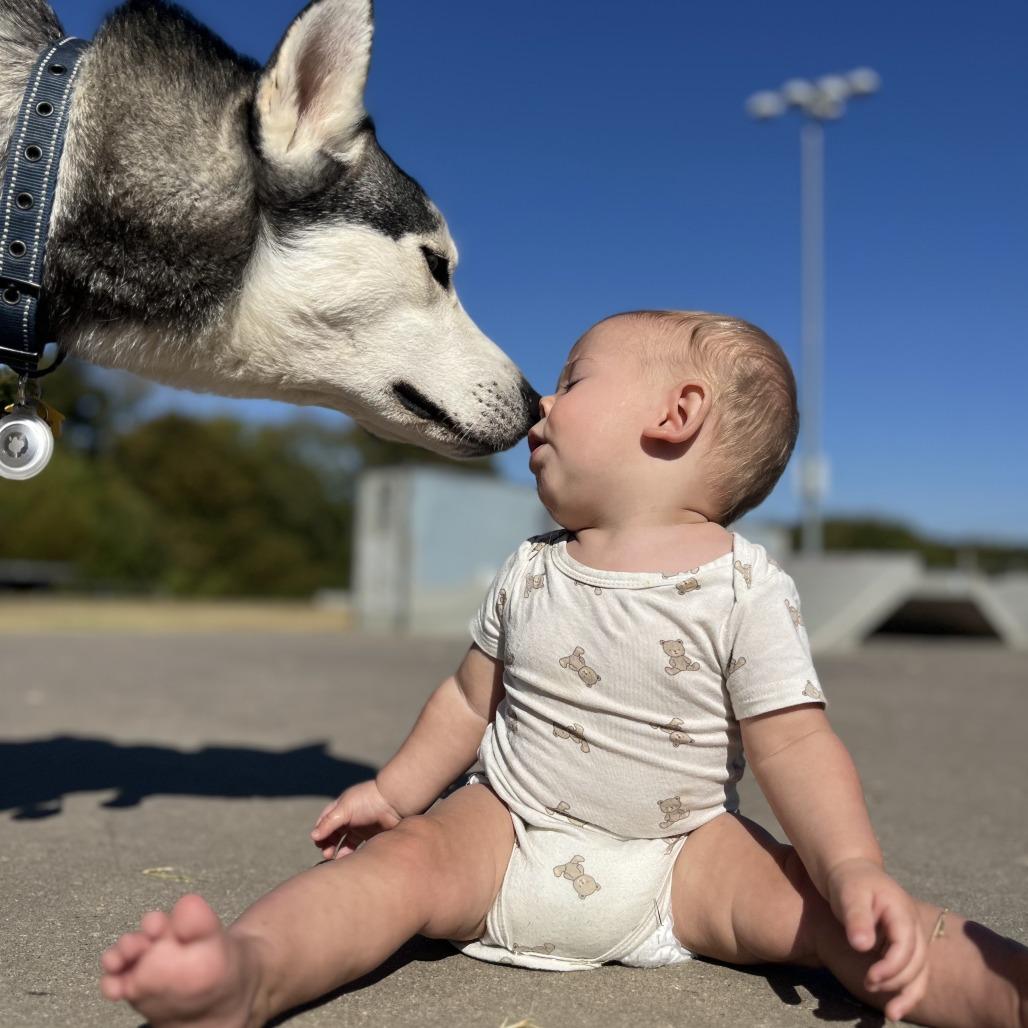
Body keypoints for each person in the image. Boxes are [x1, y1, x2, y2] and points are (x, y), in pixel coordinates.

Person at [100, 311, 1027, 1028]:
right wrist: (395, 791)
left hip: (685, 860)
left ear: (677, 415)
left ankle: (999, 990)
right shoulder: (532, 566)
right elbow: (469, 698)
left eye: (571, 380)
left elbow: (793, 745)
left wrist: (854, 866)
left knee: (846, 918)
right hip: (507, 826)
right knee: (394, 869)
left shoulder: (744, 587)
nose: (540, 402)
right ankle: (244, 975)